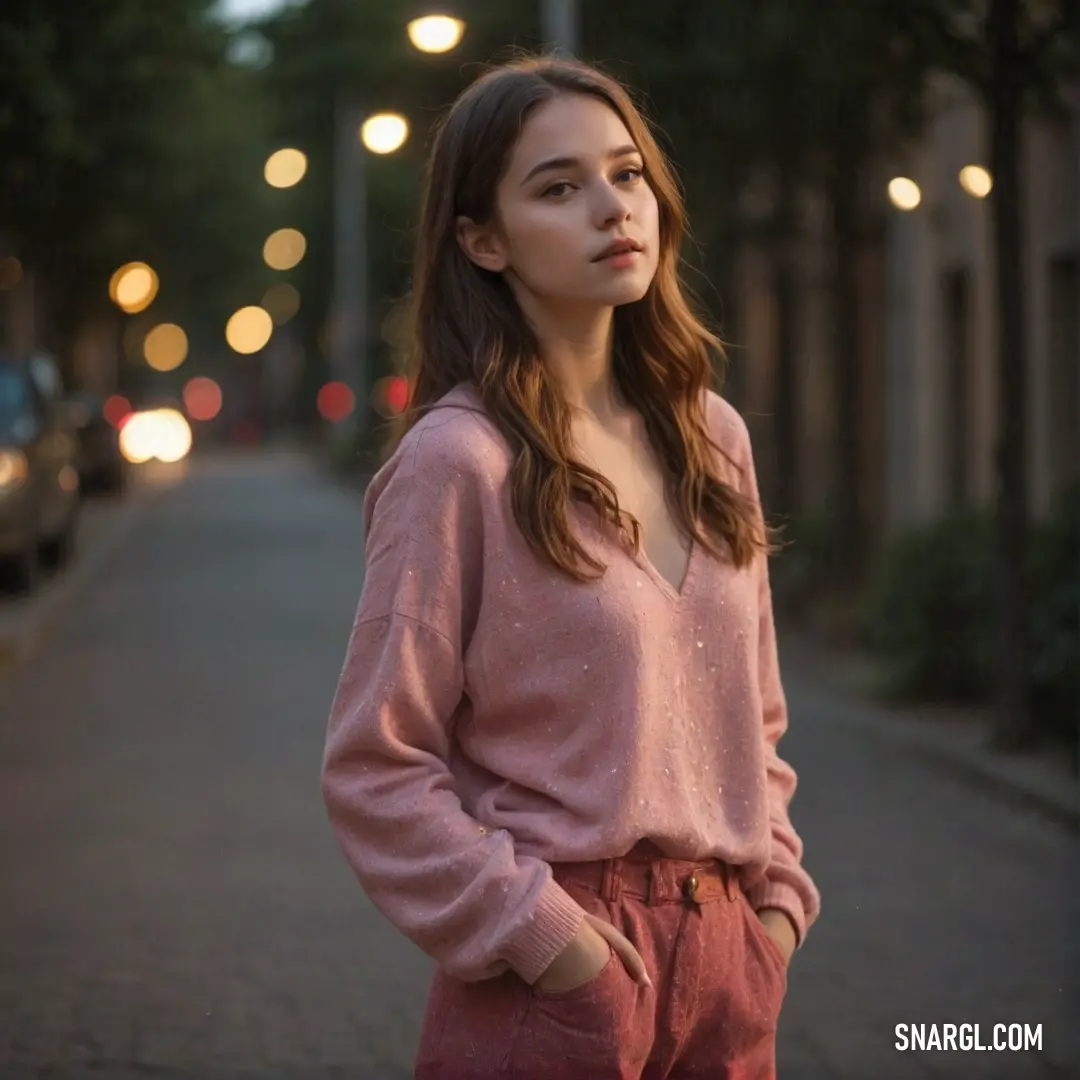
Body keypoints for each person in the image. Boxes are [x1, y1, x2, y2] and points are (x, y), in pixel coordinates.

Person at [321, 54, 821, 1080]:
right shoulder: (457, 463)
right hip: (559, 973)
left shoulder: (712, 435)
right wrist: (554, 944)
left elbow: (754, 718)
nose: (612, 207)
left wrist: (774, 911)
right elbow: (377, 767)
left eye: (627, 173)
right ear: (483, 239)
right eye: (559, 187)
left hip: (729, 964)